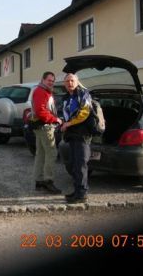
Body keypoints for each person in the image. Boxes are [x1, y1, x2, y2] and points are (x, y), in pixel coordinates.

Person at [60, 73, 92, 204]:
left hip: (82, 135)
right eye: (67, 81)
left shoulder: (83, 94)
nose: (69, 83)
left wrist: (68, 123)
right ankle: (77, 191)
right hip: (72, 136)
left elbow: (84, 113)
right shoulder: (67, 97)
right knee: (74, 165)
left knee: (81, 165)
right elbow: (65, 113)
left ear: (77, 82)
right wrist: (62, 122)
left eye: (72, 80)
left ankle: (82, 194)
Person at [30, 71, 63, 194]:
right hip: (45, 127)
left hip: (40, 127)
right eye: (49, 80)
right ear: (43, 80)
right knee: (51, 153)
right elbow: (41, 111)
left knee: (41, 154)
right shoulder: (41, 91)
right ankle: (48, 181)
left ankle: (39, 182)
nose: (51, 82)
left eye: (53, 81)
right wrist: (56, 119)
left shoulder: (43, 91)